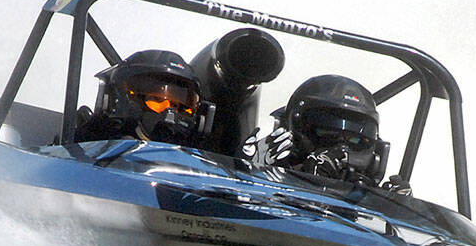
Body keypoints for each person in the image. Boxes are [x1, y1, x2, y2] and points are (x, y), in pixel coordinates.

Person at [242, 74, 411, 194]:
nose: (340, 149)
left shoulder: (368, 203)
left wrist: (395, 209)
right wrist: (250, 176)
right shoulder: (262, 184)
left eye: (355, 139)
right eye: (327, 134)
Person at [75, 50, 215, 145]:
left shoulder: (198, 169)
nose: (169, 111)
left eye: (180, 106)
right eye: (158, 99)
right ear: (123, 99)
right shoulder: (88, 151)